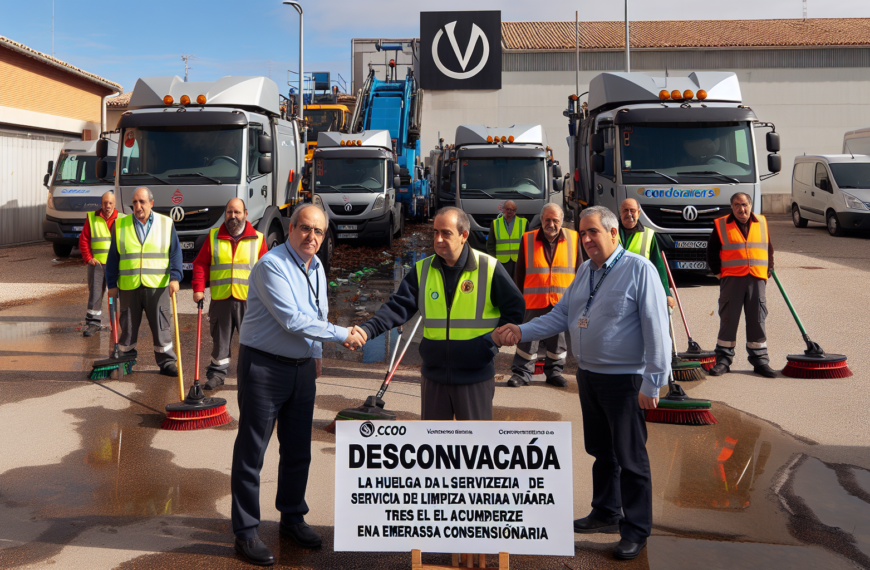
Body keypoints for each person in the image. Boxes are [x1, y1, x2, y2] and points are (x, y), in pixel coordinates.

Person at [495, 206, 670, 561]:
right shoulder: (585, 271)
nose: (587, 239)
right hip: (589, 376)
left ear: (613, 234)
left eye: (594, 232)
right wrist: (521, 330)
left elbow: (657, 330)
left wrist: (653, 383)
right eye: (584, 233)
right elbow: (562, 314)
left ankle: (636, 529)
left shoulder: (639, 270)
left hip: (625, 380)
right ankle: (606, 512)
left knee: (631, 458)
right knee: (601, 452)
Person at [230, 204, 364, 566]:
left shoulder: (317, 266)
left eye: (319, 232)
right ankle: (245, 532)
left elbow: (316, 313)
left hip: (302, 368)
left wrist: (317, 355)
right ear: (291, 229)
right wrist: (342, 335)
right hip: (264, 368)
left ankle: (291, 517)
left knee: (297, 451)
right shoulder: (271, 265)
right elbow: (292, 319)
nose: (312, 237)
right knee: (251, 454)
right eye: (305, 229)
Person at [346, 207, 524, 421]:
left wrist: (491, 342)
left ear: (463, 236)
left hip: (475, 376)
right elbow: (396, 308)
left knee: (474, 448)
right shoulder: (422, 270)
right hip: (434, 378)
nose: (438, 239)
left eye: (446, 233)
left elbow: (515, 308)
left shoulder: (489, 267)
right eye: (435, 232)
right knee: (435, 448)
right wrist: (367, 330)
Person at [191, 198, 268, 390]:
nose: (233, 216)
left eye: (237, 212)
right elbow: (200, 263)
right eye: (229, 212)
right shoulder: (213, 236)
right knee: (220, 340)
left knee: (252, 340)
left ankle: (254, 375)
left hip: (249, 301)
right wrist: (198, 289)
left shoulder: (258, 238)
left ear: (245, 214)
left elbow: (267, 271)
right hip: (221, 299)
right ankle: (217, 374)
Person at [106, 187, 182, 376]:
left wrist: (175, 277)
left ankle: (166, 362)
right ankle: (126, 359)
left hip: (157, 286)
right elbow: (112, 258)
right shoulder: (120, 225)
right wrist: (111, 284)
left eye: (142, 202)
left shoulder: (166, 223)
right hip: (129, 285)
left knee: (161, 325)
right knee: (128, 325)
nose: (138, 207)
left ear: (151, 203)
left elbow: (175, 253)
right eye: (135, 202)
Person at [508, 203, 580, 388]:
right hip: (533, 300)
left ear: (561, 221)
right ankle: (522, 373)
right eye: (547, 220)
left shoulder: (574, 238)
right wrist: (518, 298)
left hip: (562, 301)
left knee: (558, 340)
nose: (551, 224)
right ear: (541, 220)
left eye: (555, 220)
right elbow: (519, 272)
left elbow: (580, 271)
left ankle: (554, 373)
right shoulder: (528, 238)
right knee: (527, 338)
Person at [706, 192, 776, 378]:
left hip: (757, 278)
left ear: (750, 205)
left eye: (744, 204)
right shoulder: (721, 225)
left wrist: (769, 269)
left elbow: (768, 248)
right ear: (732, 206)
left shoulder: (761, 222)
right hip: (732, 280)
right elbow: (712, 251)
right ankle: (723, 360)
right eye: (736, 205)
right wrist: (720, 274)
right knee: (728, 320)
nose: (741, 209)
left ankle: (760, 361)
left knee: (757, 319)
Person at [79, 191, 124, 337]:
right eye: (105, 203)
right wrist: (88, 258)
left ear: (114, 203)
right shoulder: (92, 217)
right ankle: (93, 323)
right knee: (95, 295)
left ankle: (117, 325)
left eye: (110, 203)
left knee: (117, 294)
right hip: (96, 265)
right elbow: (84, 240)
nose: (107, 206)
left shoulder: (123, 219)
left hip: (116, 265)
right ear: (101, 203)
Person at [618, 198, 675, 310]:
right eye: (625, 210)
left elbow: (658, 265)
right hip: (617, 289)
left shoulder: (648, 235)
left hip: (641, 290)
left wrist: (667, 293)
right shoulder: (611, 233)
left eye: (632, 210)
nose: (629, 214)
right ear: (620, 213)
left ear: (638, 213)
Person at [486, 200, 526, 278]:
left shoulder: (523, 222)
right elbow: (490, 244)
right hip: (501, 262)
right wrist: (494, 260)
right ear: (503, 209)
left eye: (513, 209)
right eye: (508, 209)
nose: (510, 211)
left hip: (518, 261)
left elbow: (528, 244)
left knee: (517, 284)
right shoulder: (495, 223)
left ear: (515, 211)